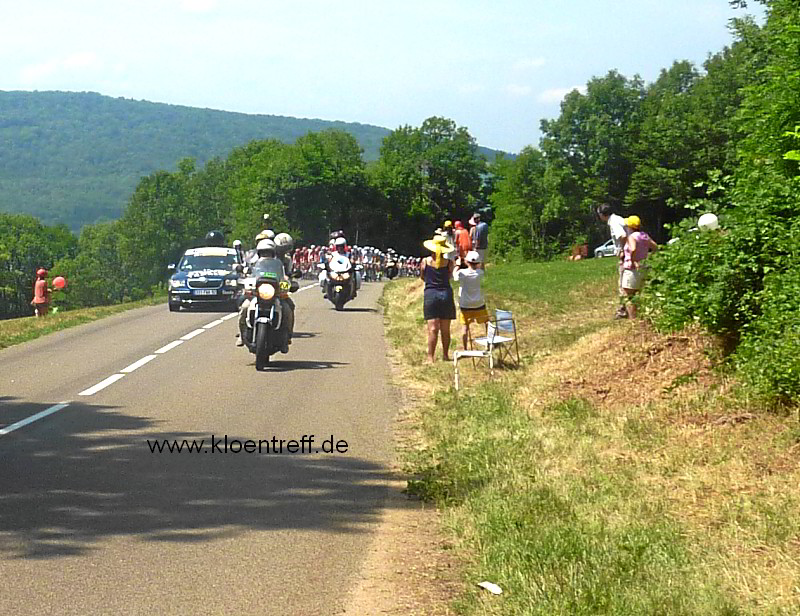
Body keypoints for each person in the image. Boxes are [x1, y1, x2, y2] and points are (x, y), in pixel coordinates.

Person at [420, 234, 456, 363]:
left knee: (433, 328)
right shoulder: (449, 263)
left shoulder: (425, 261)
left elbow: (422, 276)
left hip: (431, 293)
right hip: (446, 293)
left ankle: (431, 357)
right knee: (445, 329)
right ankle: (445, 355)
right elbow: (450, 276)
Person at [596, 204, 630, 319]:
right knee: (627, 284)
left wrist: (622, 250)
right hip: (630, 255)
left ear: (602, 214)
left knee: (623, 284)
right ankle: (628, 308)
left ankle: (623, 311)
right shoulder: (618, 219)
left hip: (625, 256)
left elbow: (623, 236)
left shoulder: (614, 222)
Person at [621, 215, 658, 319]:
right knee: (640, 293)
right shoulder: (644, 235)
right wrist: (649, 258)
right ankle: (642, 316)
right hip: (644, 267)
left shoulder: (631, 237)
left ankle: (634, 319)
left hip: (632, 269)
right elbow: (655, 247)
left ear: (630, 227)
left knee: (629, 296)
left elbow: (633, 249)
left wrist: (633, 261)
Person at [453, 251, 489, 349]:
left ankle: (465, 348)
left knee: (465, 327)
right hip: (479, 303)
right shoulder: (480, 273)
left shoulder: (462, 273)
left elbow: (454, 276)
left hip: (465, 304)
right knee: (486, 323)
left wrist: (457, 265)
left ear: (466, 261)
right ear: (478, 263)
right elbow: (482, 268)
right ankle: (489, 343)